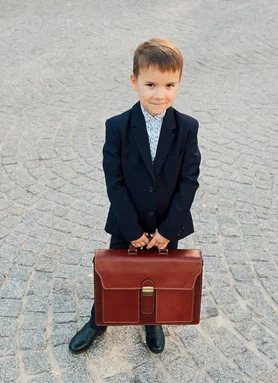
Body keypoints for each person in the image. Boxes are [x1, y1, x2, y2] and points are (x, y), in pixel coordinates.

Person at [69, 38, 201, 354]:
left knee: (157, 274)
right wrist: (131, 230)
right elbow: (114, 182)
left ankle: (151, 320)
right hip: (126, 222)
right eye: (151, 84)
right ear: (134, 82)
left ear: (179, 82)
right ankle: (99, 319)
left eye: (170, 84)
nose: (160, 94)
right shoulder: (117, 127)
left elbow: (189, 180)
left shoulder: (186, 127)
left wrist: (168, 229)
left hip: (169, 224)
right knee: (113, 274)